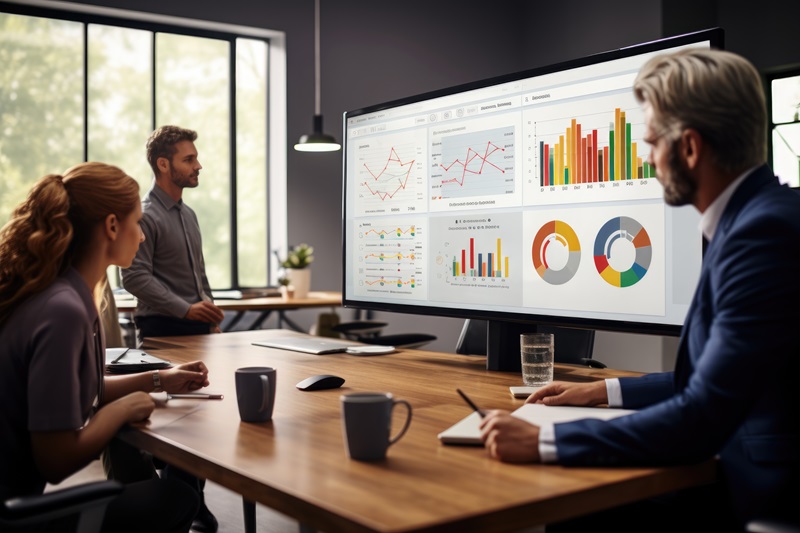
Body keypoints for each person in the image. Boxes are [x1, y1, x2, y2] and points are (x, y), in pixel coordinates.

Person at [479, 48, 800, 531]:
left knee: (578, 506)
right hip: (739, 465)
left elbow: (704, 414)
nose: (648, 159)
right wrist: (600, 392)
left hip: (769, 496)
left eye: (650, 143)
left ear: (689, 148)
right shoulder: (754, 217)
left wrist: (546, 442)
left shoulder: (762, 235)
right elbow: (721, 378)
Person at [0, 162, 210, 532]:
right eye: (138, 223)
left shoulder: (65, 293)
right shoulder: (63, 311)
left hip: (15, 500)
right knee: (178, 499)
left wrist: (160, 379)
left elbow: (88, 390)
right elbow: (56, 459)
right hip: (16, 514)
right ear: (112, 226)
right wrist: (122, 409)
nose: (142, 237)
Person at [120, 125, 223, 532]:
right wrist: (186, 310)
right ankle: (184, 505)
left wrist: (209, 311)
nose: (198, 165)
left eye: (195, 158)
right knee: (187, 422)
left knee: (202, 414)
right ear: (164, 165)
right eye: (189, 159)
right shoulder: (146, 214)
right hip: (164, 328)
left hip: (196, 329)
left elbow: (198, 277)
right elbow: (135, 278)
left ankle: (191, 502)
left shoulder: (189, 215)